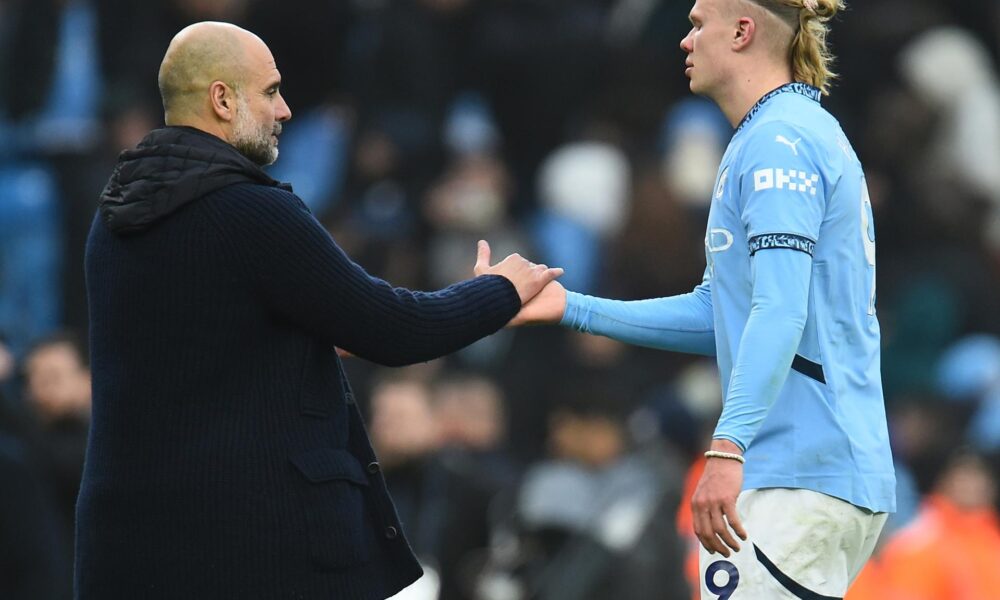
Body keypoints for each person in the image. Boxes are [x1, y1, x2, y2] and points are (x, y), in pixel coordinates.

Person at [79, 21, 562, 600]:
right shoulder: (250, 211)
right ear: (222, 99)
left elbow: (212, 341)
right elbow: (394, 329)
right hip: (246, 547)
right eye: (270, 91)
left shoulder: (111, 221)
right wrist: (501, 291)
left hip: (126, 547)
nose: (284, 109)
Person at [514, 0, 895, 597]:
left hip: (795, 471)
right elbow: (718, 313)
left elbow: (780, 310)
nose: (685, 42)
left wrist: (727, 447)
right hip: (821, 470)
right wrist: (571, 307)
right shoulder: (779, 133)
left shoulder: (779, 141)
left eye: (697, 25)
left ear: (743, 31)